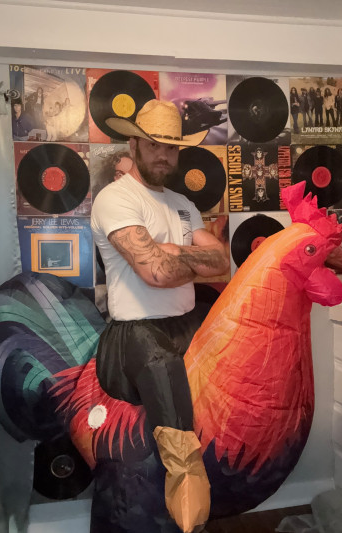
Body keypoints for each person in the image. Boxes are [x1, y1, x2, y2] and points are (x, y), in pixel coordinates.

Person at [91, 99, 229, 533]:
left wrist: (172, 251)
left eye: (171, 147)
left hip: (184, 325)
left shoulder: (183, 203)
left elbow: (221, 262)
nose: (164, 156)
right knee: (163, 374)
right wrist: (182, 259)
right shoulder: (115, 199)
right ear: (134, 144)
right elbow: (155, 273)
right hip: (135, 334)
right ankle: (190, 513)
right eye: (154, 145)